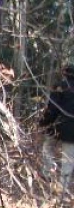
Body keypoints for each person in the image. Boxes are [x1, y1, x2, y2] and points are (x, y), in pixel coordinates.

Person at [41, 65, 74, 193]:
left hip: (57, 126)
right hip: (72, 133)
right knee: (69, 159)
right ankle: (62, 189)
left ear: (64, 74)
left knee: (47, 147)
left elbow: (52, 109)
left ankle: (47, 173)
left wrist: (44, 122)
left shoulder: (60, 87)